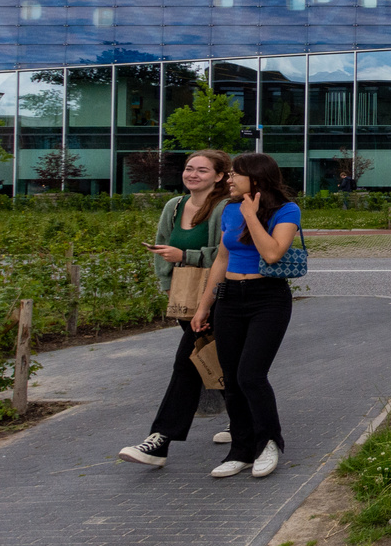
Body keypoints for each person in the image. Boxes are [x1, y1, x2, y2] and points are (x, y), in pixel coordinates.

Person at [189, 152, 302, 480]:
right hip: (230, 301)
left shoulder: (286, 211)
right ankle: (240, 449)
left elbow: (271, 252)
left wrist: (252, 215)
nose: (228, 179)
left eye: (235, 175)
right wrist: (203, 306)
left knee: (251, 375)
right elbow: (221, 260)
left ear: (256, 178)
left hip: (268, 299)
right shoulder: (228, 209)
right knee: (232, 379)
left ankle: (268, 443)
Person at [118, 150, 232, 468]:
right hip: (185, 297)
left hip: (220, 297)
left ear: (220, 176)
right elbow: (160, 246)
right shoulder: (175, 206)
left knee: (188, 363)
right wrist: (167, 283)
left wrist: (185, 255)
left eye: (202, 170)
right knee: (211, 359)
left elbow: (225, 254)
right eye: (188, 168)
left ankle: (160, 441)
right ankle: (244, 420)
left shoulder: (225, 208)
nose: (192, 174)